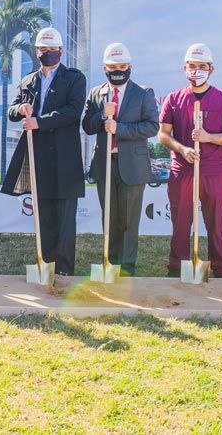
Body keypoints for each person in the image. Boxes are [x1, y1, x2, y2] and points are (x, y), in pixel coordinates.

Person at [1, 27, 87, 276]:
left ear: (60, 51)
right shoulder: (29, 80)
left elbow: (73, 111)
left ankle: (65, 271)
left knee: (65, 221)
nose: (46, 53)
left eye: (51, 49)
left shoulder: (74, 78)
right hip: (38, 159)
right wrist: (20, 110)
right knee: (45, 219)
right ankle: (46, 266)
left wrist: (40, 121)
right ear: (36, 51)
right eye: (42, 49)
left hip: (65, 159)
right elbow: (11, 109)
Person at [158, 43, 222, 278]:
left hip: (214, 171)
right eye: (192, 66)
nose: (196, 70)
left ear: (211, 69)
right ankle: (177, 267)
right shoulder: (174, 99)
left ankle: (221, 269)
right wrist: (182, 148)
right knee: (181, 223)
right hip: (182, 170)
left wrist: (208, 137)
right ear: (185, 68)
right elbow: (163, 134)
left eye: (202, 66)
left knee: (216, 223)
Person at [81, 42, 160, 276]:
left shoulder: (143, 93)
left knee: (128, 220)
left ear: (130, 66)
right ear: (105, 68)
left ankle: (126, 269)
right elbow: (87, 125)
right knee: (110, 217)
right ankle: (110, 264)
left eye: (123, 66)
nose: (119, 70)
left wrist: (119, 128)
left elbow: (152, 126)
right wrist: (100, 115)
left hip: (132, 166)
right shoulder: (96, 93)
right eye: (114, 66)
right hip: (105, 165)